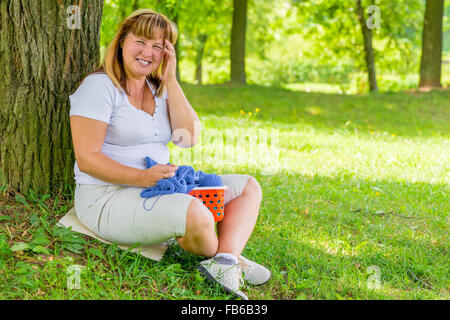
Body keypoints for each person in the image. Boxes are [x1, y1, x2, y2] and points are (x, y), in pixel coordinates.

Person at [69, 9, 270, 300]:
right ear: (122, 41)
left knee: (247, 187)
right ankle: (229, 256)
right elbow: (87, 158)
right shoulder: (99, 87)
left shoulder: (158, 87)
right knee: (197, 213)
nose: (147, 52)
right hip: (107, 197)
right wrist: (140, 177)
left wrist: (171, 79)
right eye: (141, 41)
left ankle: (225, 261)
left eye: (158, 46)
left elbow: (188, 138)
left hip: (158, 188)